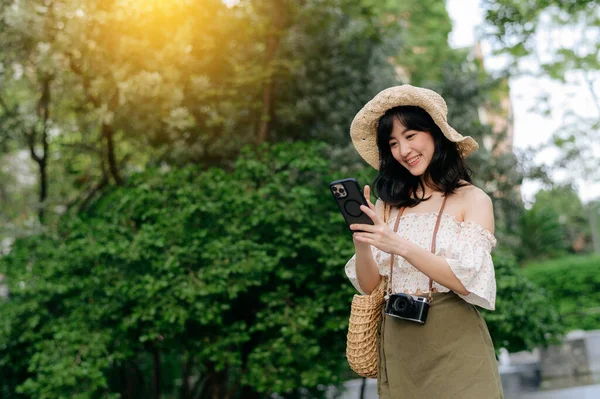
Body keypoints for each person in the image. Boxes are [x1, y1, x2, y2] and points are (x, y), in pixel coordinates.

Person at [344, 85, 504, 398]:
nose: (403, 150)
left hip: (456, 343)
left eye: (411, 135)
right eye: (393, 143)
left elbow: (469, 281)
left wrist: (399, 245)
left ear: (435, 134)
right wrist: (363, 242)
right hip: (399, 345)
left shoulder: (472, 199)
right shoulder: (387, 204)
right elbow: (369, 285)